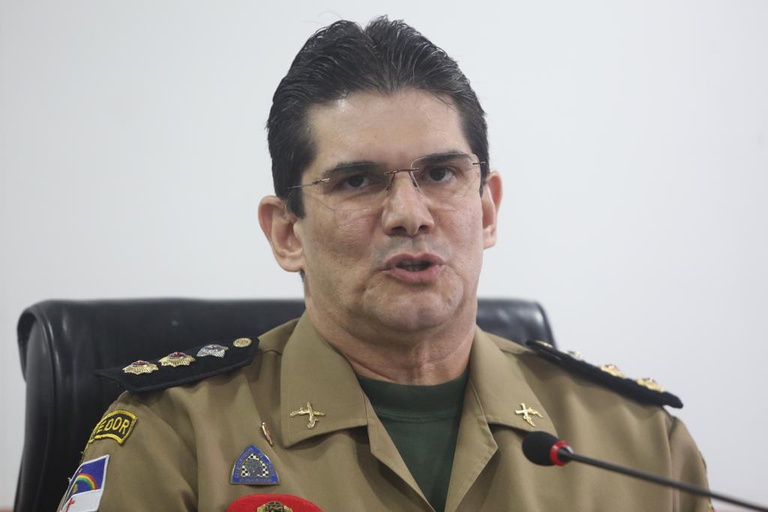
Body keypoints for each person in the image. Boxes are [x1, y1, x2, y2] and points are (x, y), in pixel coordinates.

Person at [59, 16, 711, 512]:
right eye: (357, 181)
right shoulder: (175, 440)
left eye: (441, 174)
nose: (409, 214)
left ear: (486, 211)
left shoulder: (639, 447)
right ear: (286, 232)